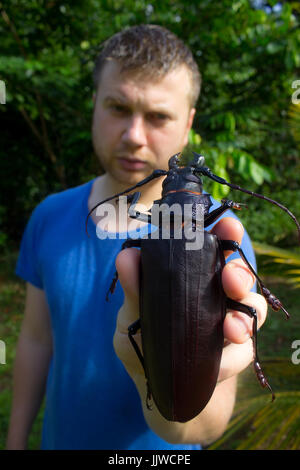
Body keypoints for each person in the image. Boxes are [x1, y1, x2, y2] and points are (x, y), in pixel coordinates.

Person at [6, 24, 267, 450]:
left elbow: (207, 425)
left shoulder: (219, 233)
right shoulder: (49, 216)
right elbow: (37, 338)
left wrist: (154, 377)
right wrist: (15, 440)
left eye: (158, 116)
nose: (134, 136)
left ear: (188, 124)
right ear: (94, 105)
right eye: (118, 107)